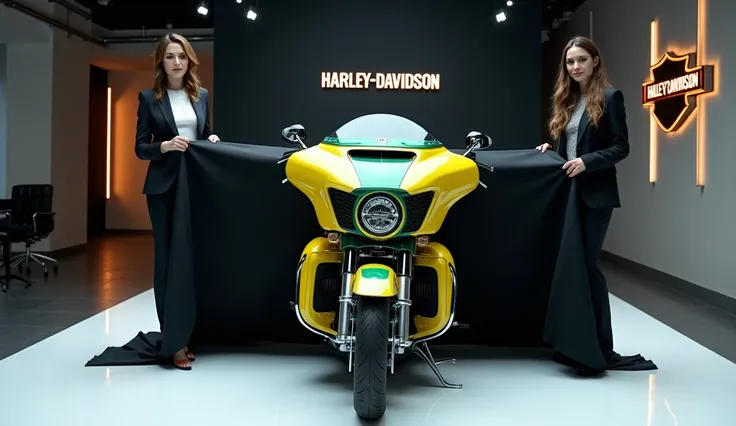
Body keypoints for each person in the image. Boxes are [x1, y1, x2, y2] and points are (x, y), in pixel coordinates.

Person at [536, 36, 630, 376]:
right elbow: (570, 151)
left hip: (596, 196)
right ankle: (574, 343)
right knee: (573, 267)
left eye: (581, 60)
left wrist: (587, 162)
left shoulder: (610, 97)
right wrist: (552, 152)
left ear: (595, 62)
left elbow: (621, 147)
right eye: (570, 62)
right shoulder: (569, 100)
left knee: (588, 267)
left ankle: (600, 349)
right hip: (571, 195)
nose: (575, 67)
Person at [134, 33, 219, 371]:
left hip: (195, 186)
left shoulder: (202, 95)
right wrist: (165, 146)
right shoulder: (148, 98)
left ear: (189, 60)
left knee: (193, 261)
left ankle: (189, 333)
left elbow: (206, 132)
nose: (177, 62)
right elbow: (140, 148)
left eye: (181, 56)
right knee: (168, 263)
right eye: (170, 56)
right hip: (164, 188)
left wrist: (212, 137)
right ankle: (173, 342)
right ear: (162, 61)